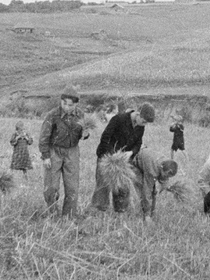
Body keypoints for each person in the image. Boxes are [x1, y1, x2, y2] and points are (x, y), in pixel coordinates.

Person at [92, 102, 155, 212]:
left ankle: (120, 211)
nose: (144, 125)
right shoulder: (119, 119)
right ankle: (99, 211)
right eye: (144, 121)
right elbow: (105, 137)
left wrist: (131, 153)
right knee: (103, 185)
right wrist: (112, 155)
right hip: (107, 157)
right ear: (138, 114)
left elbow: (138, 143)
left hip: (124, 161)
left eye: (146, 123)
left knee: (123, 186)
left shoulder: (140, 126)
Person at [39, 85, 90, 217]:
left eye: (70, 105)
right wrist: (45, 156)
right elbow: (44, 137)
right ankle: (52, 213)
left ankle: (69, 216)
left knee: (72, 186)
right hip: (54, 151)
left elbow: (83, 133)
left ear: (76, 105)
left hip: (72, 152)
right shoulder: (53, 115)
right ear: (61, 101)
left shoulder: (81, 115)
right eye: (64, 104)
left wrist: (85, 134)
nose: (67, 107)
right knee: (51, 187)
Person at [130, 148, 178, 222]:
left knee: (153, 192)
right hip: (135, 163)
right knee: (143, 189)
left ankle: (151, 213)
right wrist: (147, 215)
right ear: (162, 168)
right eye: (166, 175)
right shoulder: (152, 170)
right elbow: (147, 191)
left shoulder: (166, 163)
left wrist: (167, 186)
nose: (167, 178)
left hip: (146, 159)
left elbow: (164, 177)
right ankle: (145, 215)